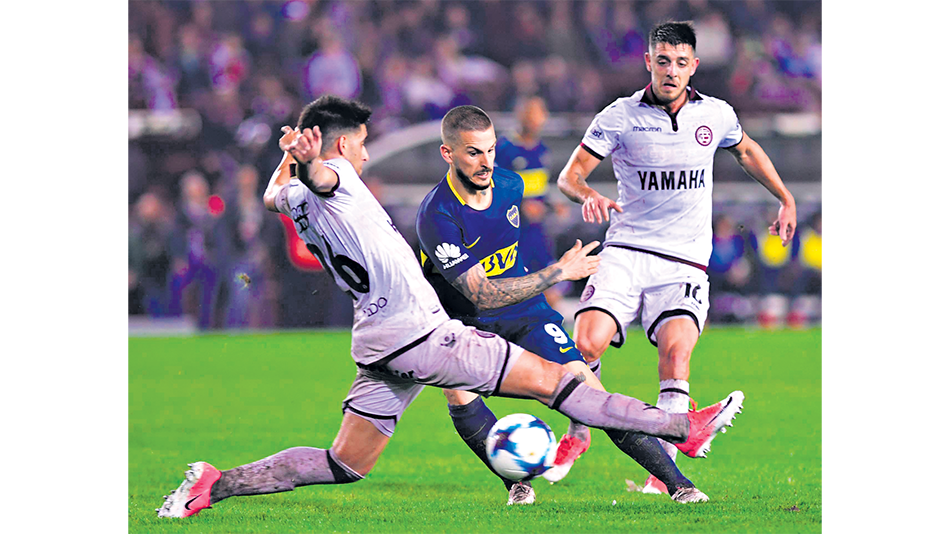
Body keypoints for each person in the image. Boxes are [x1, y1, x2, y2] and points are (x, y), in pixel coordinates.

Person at [156, 95, 743, 519]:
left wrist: (289, 161)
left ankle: (214, 485)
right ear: (338, 147)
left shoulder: (294, 198)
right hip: (424, 331)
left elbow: (271, 194)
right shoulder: (334, 174)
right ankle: (680, 428)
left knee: (345, 463)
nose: (363, 157)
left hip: (377, 337)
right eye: (358, 145)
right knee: (562, 384)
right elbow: (328, 177)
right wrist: (310, 160)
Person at [416, 105, 728, 505]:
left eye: (491, 150)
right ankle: (516, 483)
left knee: (592, 393)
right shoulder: (436, 215)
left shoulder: (510, 185)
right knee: (459, 394)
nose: (486, 162)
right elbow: (481, 294)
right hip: (462, 319)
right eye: (474, 153)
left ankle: (679, 484)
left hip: (525, 313)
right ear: (448, 154)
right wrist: (559, 272)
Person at [556, 21, 796, 496]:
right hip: (625, 249)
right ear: (649, 62)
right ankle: (578, 433)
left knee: (676, 354)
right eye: (662, 60)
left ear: (694, 66)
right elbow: (570, 175)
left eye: (681, 62)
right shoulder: (619, 116)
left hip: (684, 260)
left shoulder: (717, 114)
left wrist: (785, 198)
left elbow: (746, 151)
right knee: (585, 344)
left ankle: (660, 470)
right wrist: (589, 194)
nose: (671, 70)